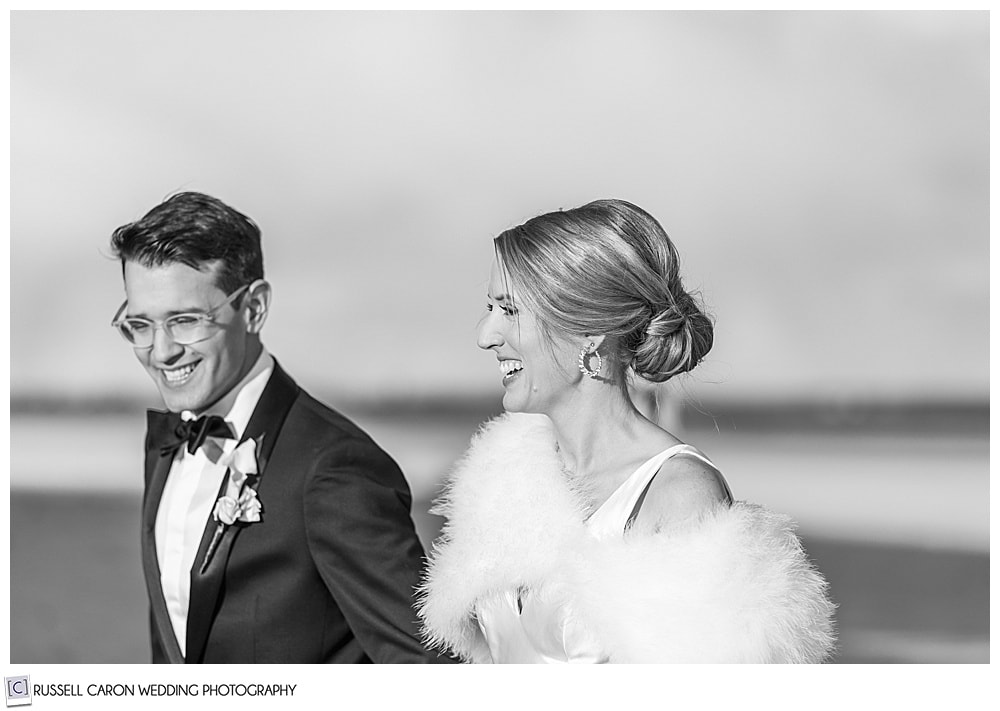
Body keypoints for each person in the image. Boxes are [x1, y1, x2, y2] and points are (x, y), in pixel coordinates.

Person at [417, 199, 836, 663]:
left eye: (509, 310)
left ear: (588, 334)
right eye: (489, 307)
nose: (485, 334)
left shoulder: (678, 494)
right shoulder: (508, 470)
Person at [109, 191, 449, 663]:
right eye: (140, 325)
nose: (161, 351)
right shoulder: (167, 447)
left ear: (253, 308)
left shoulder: (334, 468)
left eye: (185, 321)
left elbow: (429, 667)